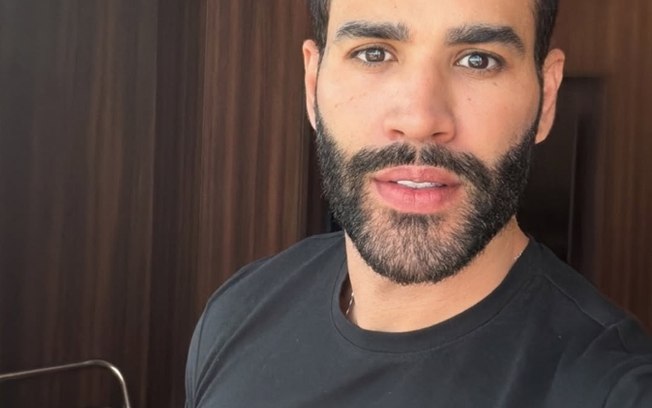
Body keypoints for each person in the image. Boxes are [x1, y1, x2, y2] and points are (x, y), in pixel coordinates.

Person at [185, 0, 652, 406]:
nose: (420, 119)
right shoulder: (238, 312)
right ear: (312, 84)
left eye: (478, 60)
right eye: (373, 53)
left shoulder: (613, 389)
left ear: (546, 97)